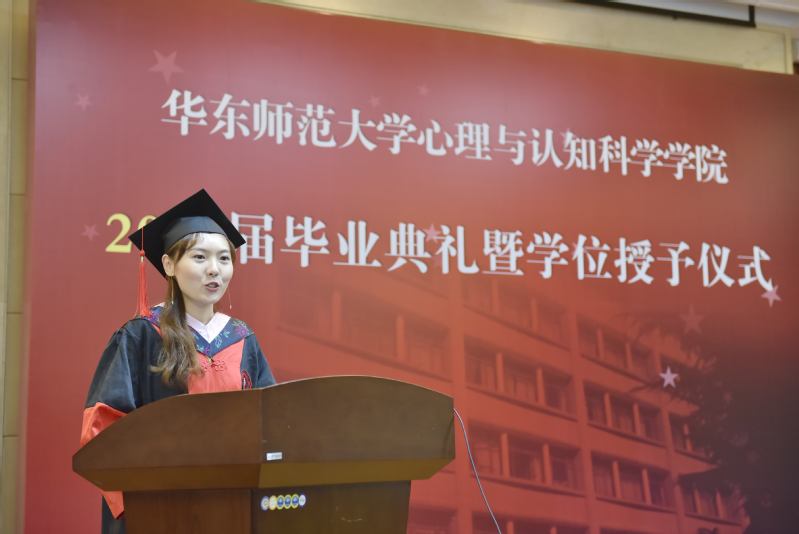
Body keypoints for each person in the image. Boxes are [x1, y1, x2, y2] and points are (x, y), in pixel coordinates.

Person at [79, 190, 276, 534]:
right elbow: (104, 428)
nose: (214, 269)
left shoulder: (243, 338)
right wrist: (142, 499)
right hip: (160, 507)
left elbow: (272, 424)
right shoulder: (141, 335)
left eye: (224, 258)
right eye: (199, 257)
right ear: (169, 265)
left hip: (234, 506)